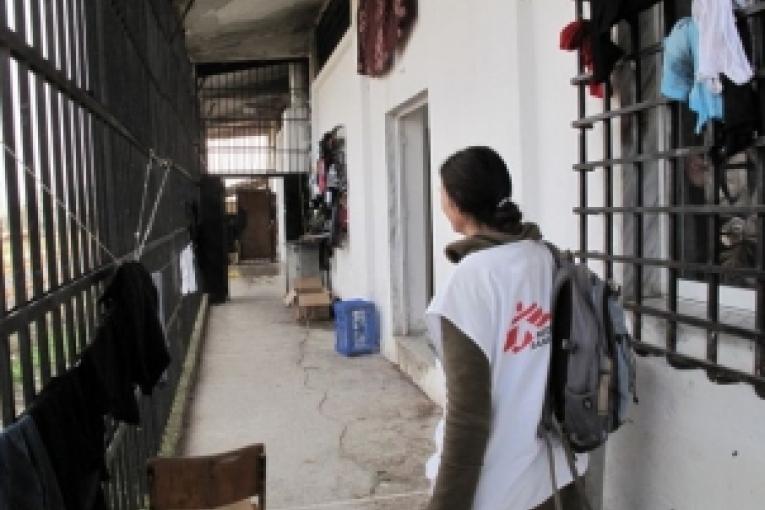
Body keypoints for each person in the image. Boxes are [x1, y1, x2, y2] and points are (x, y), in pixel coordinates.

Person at [425, 146, 587, 510]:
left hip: (500, 489)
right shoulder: (544, 256)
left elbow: (468, 415)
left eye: (442, 192)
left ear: (456, 202)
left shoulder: (469, 283)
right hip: (556, 475)